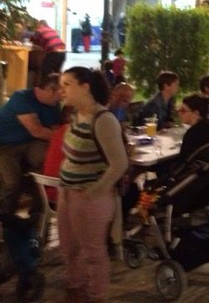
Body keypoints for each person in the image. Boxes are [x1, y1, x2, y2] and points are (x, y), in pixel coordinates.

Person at [57, 67, 128, 303]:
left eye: (67, 84)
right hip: (68, 192)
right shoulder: (76, 115)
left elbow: (119, 163)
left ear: (85, 87)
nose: (61, 90)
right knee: (69, 249)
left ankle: (96, 296)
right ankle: (75, 291)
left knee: (93, 253)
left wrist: (94, 191)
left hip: (89, 196)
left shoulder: (103, 119)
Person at [0, 73, 62, 218]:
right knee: (12, 182)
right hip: (5, 145)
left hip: (29, 143)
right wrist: (64, 136)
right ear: (50, 90)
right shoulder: (22, 98)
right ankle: (5, 215)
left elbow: (53, 132)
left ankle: (37, 213)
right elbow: (37, 131)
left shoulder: (53, 105)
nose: (62, 97)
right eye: (60, 93)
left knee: (45, 165)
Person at [177, 94, 209, 163]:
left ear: (196, 113)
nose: (179, 113)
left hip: (200, 168)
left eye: (183, 111)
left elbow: (183, 161)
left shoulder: (192, 134)